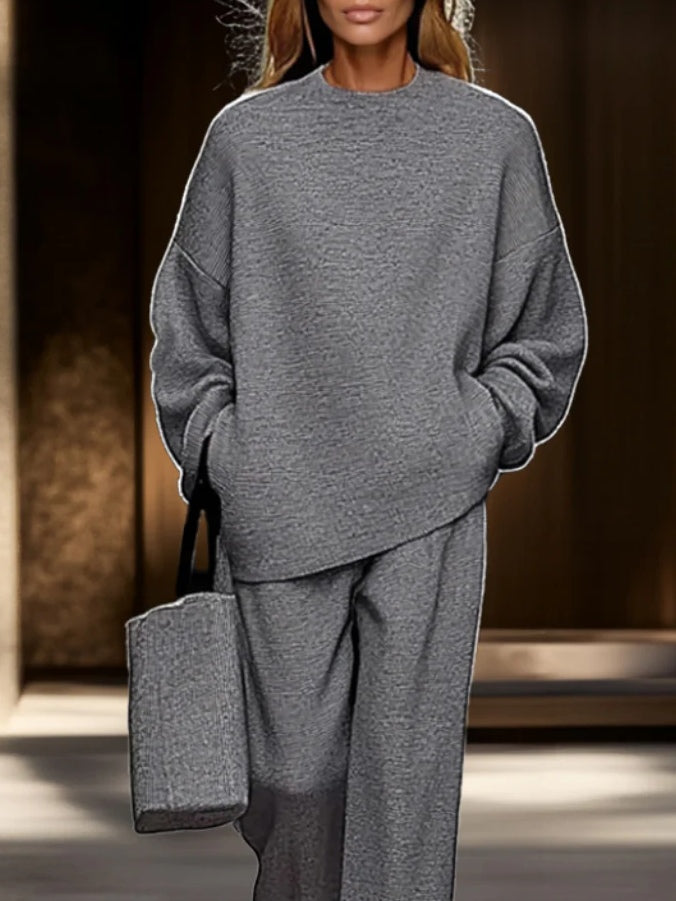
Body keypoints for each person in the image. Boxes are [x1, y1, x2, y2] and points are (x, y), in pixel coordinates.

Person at [148, 0, 588, 897]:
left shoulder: (494, 140)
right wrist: (228, 450)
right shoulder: (247, 142)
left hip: (430, 506)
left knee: (404, 797)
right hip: (280, 507)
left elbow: (546, 335)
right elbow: (189, 336)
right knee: (293, 784)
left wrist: (478, 426)